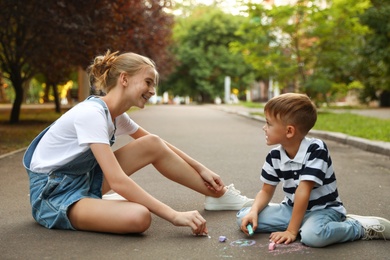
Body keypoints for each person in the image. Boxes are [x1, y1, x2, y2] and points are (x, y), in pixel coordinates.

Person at [23, 50, 253, 235]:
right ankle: (95, 205)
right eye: (148, 82)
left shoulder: (114, 114)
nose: (152, 90)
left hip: (84, 180)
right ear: (124, 79)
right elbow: (117, 181)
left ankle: (218, 197)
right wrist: (174, 215)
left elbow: (157, 144)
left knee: (151, 143)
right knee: (139, 217)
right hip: (54, 196)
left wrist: (201, 168)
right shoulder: (91, 114)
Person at [236, 93, 390, 247]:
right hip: (291, 209)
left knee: (313, 237)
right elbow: (266, 191)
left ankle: (359, 227)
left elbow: (303, 190)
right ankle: (302, 225)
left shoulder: (316, 149)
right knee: (244, 216)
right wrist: (254, 211)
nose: (264, 128)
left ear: (289, 131)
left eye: (268, 123)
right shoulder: (274, 155)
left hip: (324, 210)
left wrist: (291, 231)